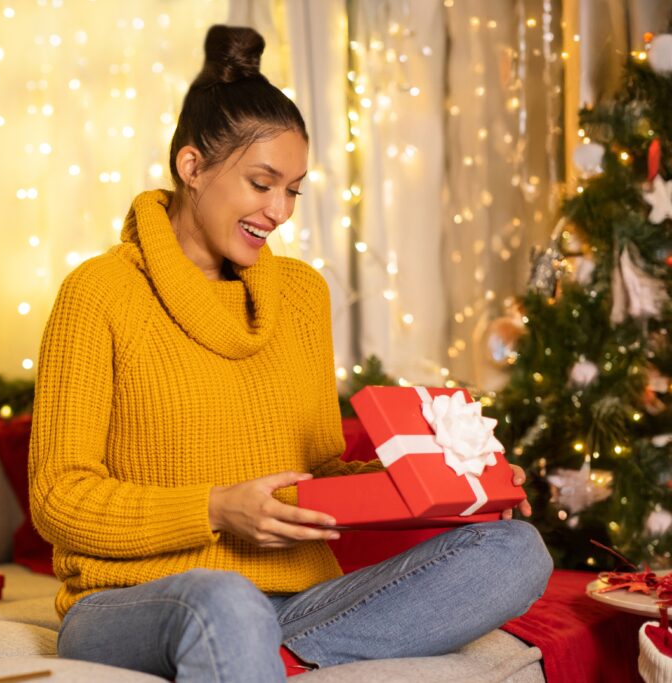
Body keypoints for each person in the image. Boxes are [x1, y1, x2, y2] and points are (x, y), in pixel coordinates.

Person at [29, 24, 552, 683]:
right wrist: (216, 510)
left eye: (294, 189)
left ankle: (267, 652)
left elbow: (318, 474)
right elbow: (59, 497)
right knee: (225, 600)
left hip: (301, 600)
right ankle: (241, 639)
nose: (279, 210)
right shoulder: (98, 293)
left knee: (515, 550)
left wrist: (455, 487)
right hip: (136, 602)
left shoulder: (301, 295)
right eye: (261, 183)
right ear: (192, 167)